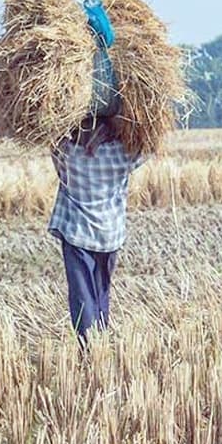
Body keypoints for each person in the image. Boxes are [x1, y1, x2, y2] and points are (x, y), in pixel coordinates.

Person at [48, 116, 147, 343]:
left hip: (77, 234)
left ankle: (89, 348)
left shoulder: (69, 154)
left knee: (83, 295)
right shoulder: (121, 156)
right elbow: (148, 148)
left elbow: (51, 139)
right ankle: (100, 340)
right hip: (110, 236)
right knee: (101, 290)